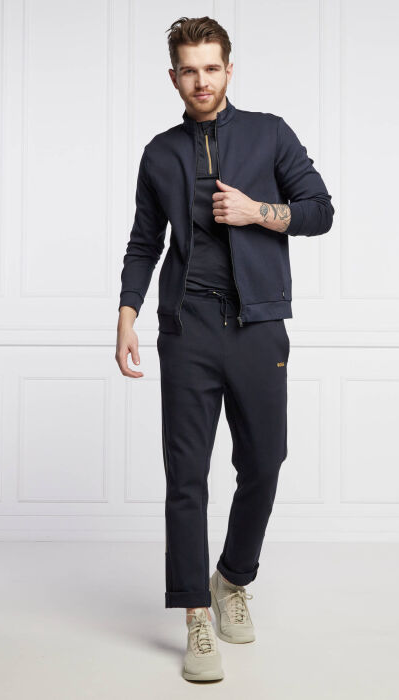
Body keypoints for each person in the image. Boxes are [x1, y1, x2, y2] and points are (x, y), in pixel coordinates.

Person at [116, 16, 334, 682]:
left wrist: (257, 211)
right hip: (187, 330)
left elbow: (319, 209)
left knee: (265, 460)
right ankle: (194, 616)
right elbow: (144, 242)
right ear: (174, 77)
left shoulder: (269, 133)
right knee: (186, 477)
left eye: (212, 68)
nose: (201, 80)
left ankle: (233, 578)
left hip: (258, 326)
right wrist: (127, 315)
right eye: (189, 70)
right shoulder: (159, 153)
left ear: (229, 69)